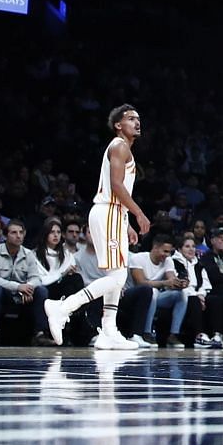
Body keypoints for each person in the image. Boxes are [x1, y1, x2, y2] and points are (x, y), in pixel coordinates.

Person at [44, 106, 152, 352]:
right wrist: (138, 213)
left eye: (139, 118)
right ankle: (63, 308)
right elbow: (115, 185)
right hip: (108, 211)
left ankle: (109, 332)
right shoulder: (119, 146)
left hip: (115, 215)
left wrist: (125, 223)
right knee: (116, 277)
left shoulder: (124, 149)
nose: (137, 122)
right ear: (118, 125)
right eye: (131, 118)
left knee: (117, 275)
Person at [0, 220, 50, 347]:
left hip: (24, 294)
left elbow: (36, 278)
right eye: (14, 233)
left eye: (21, 232)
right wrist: (18, 287)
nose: (18, 236)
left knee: (41, 290)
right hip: (5, 293)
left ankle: (41, 334)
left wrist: (29, 288)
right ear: (5, 235)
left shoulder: (28, 254)